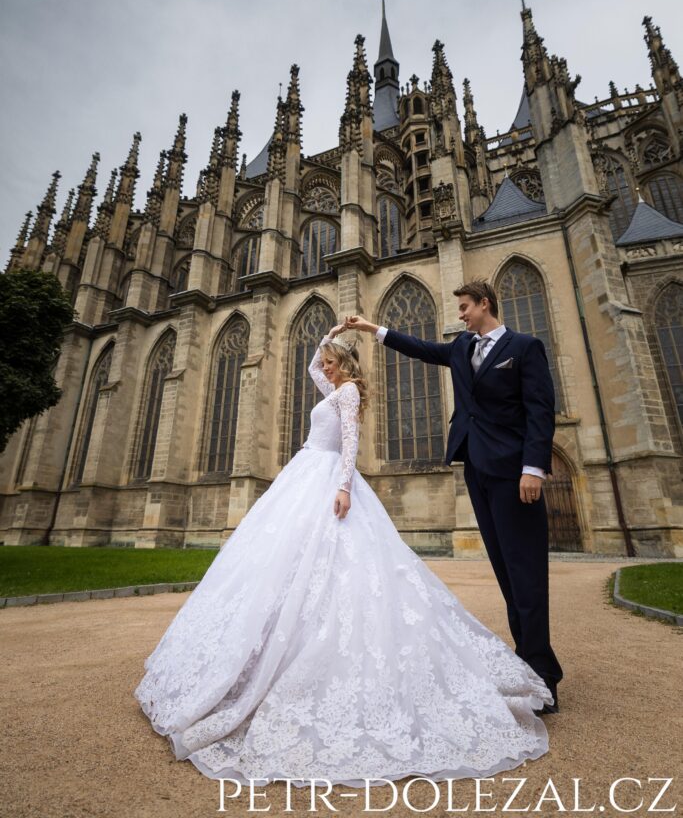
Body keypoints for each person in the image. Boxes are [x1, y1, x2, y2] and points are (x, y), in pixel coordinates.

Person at [134, 320, 554, 789]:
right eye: (329, 366)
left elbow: (351, 443)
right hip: (305, 475)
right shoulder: (332, 384)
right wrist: (325, 340)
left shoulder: (349, 391)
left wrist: (344, 486)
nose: (326, 371)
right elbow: (314, 366)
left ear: (346, 367)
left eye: (333, 365)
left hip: (329, 477)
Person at [346, 278, 563, 717]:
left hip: (514, 473)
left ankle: (544, 675)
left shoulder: (524, 347)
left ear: (485, 305)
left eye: (465, 307)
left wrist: (533, 468)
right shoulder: (463, 349)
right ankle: (527, 664)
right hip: (478, 469)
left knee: (526, 574)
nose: (460, 314)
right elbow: (420, 348)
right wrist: (372, 328)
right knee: (505, 572)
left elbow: (540, 409)